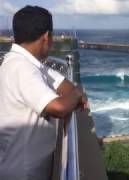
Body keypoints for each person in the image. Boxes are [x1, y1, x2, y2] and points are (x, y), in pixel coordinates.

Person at [0, 5, 87, 180]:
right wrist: (77, 95)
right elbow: (59, 107)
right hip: (22, 172)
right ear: (46, 36)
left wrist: (73, 91)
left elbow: (64, 84)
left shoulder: (30, 64)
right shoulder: (22, 68)